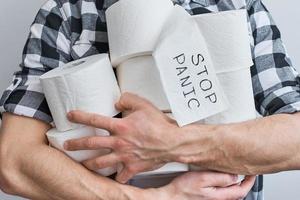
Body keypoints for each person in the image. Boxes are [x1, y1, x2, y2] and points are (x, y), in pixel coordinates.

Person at [0, 0, 298, 199]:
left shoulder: (239, 7)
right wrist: (158, 198)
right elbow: (13, 162)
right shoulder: (67, 13)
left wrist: (171, 143)